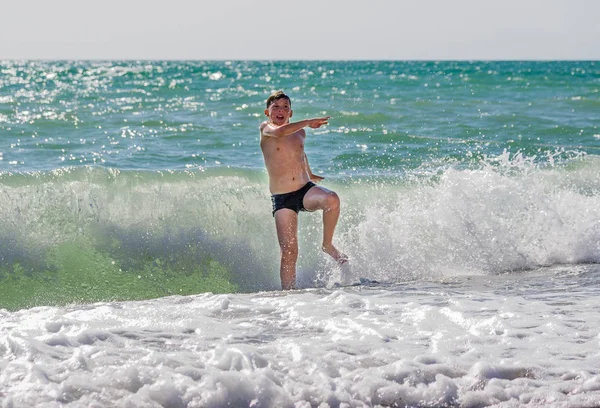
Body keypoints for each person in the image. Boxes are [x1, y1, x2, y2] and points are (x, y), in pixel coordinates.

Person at [259, 91, 348, 290]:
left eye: (285, 107)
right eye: (276, 107)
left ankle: (327, 245)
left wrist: (310, 173)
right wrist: (308, 121)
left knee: (332, 199)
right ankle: (288, 294)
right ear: (267, 112)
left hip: (304, 189)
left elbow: (300, 153)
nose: (280, 110)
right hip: (282, 198)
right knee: (290, 250)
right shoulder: (266, 128)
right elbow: (281, 133)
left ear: (291, 112)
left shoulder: (300, 132)